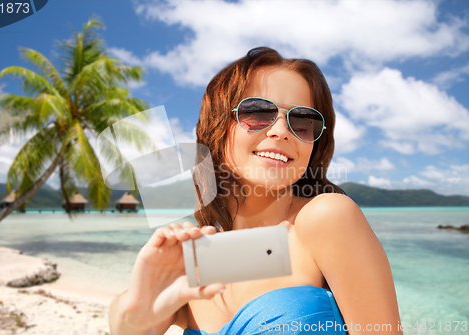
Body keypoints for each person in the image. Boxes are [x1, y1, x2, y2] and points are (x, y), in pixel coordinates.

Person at [108, 47, 403, 335]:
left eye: (302, 121)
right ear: (218, 125)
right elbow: (129, 325)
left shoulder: (326, 218)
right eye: (258, 112)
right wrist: (134, 309)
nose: (281, 130)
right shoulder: (204, 260)